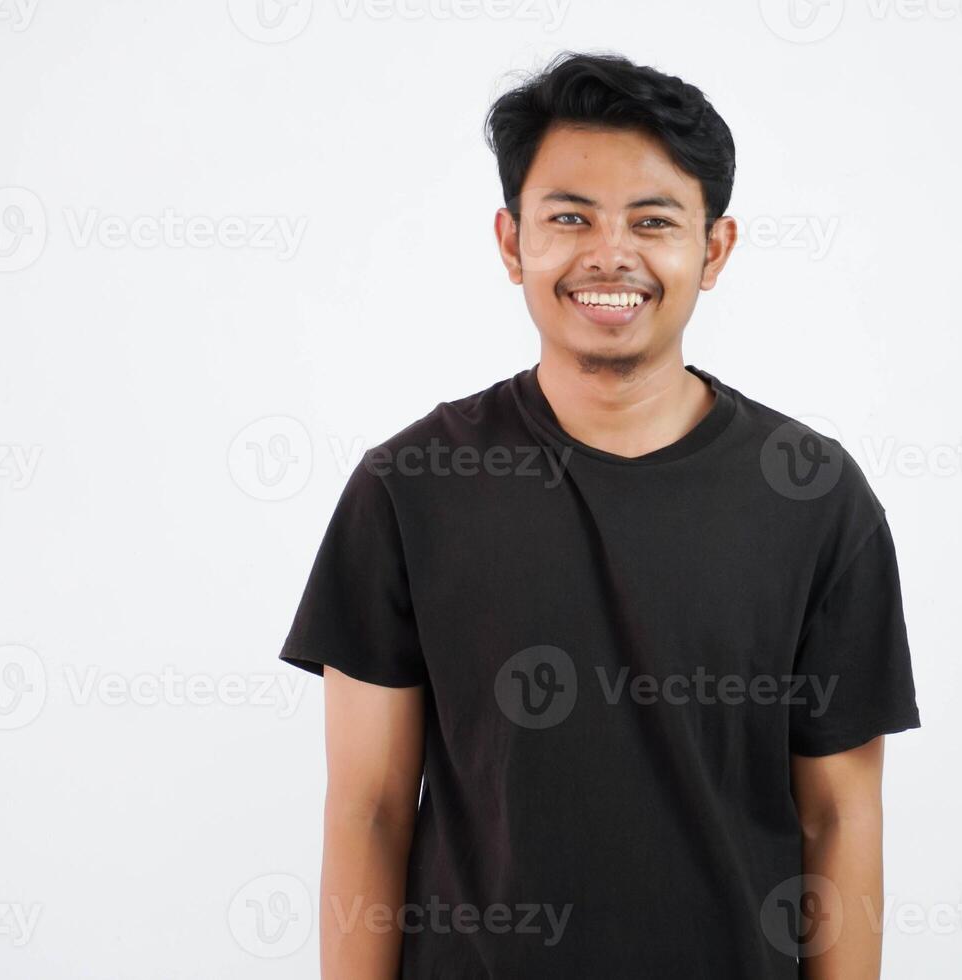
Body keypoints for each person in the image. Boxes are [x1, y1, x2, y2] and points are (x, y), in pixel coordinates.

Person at [279, 50, 922, 979]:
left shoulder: (815, 498)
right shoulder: (410, 486)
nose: (609, 254)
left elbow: (840, 816)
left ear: (715, 249)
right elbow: (369, 809)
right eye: (569, 218)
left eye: (652, 220)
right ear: (512, 243)